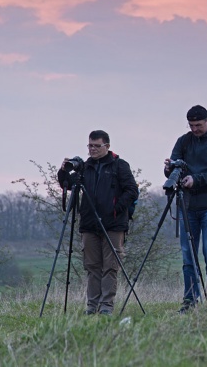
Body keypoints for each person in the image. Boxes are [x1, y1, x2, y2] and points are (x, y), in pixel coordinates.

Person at [57, 130, 138, 315]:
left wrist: (115, 209)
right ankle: (91, 307)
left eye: (96, 146)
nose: (92, 150)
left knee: (110, 266)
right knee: (92, 266)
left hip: (114, 224)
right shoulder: (85, 167)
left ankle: (106, 306)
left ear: (107, 146)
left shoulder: (120, 166)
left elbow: (132, 191)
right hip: (89, 223)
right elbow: (68, 185)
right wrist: (63, 171)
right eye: (90, 146)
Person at [164, 105, 207, 313]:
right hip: (188, 206)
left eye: (198, 125)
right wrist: (169, 169)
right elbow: (174, 169)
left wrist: (197, 179)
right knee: (188, 256)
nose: (195, 129)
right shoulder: (183, 141)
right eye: (192, 125)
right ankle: (190, 301)